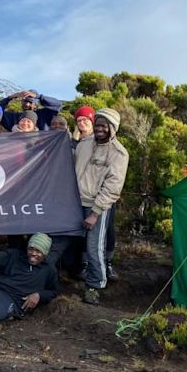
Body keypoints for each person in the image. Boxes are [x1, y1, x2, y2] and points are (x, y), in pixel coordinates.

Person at [74, 108, 129, 304]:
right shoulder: (84, 144)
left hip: (95, 206)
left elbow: (113, 187)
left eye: (104, 125)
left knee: (94, 246)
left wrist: (95, 213)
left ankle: (94, 285)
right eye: (97, 124)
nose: (99, 128)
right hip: (74, 201)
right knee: (68, 241)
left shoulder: (119, 154)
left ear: (112, 128)